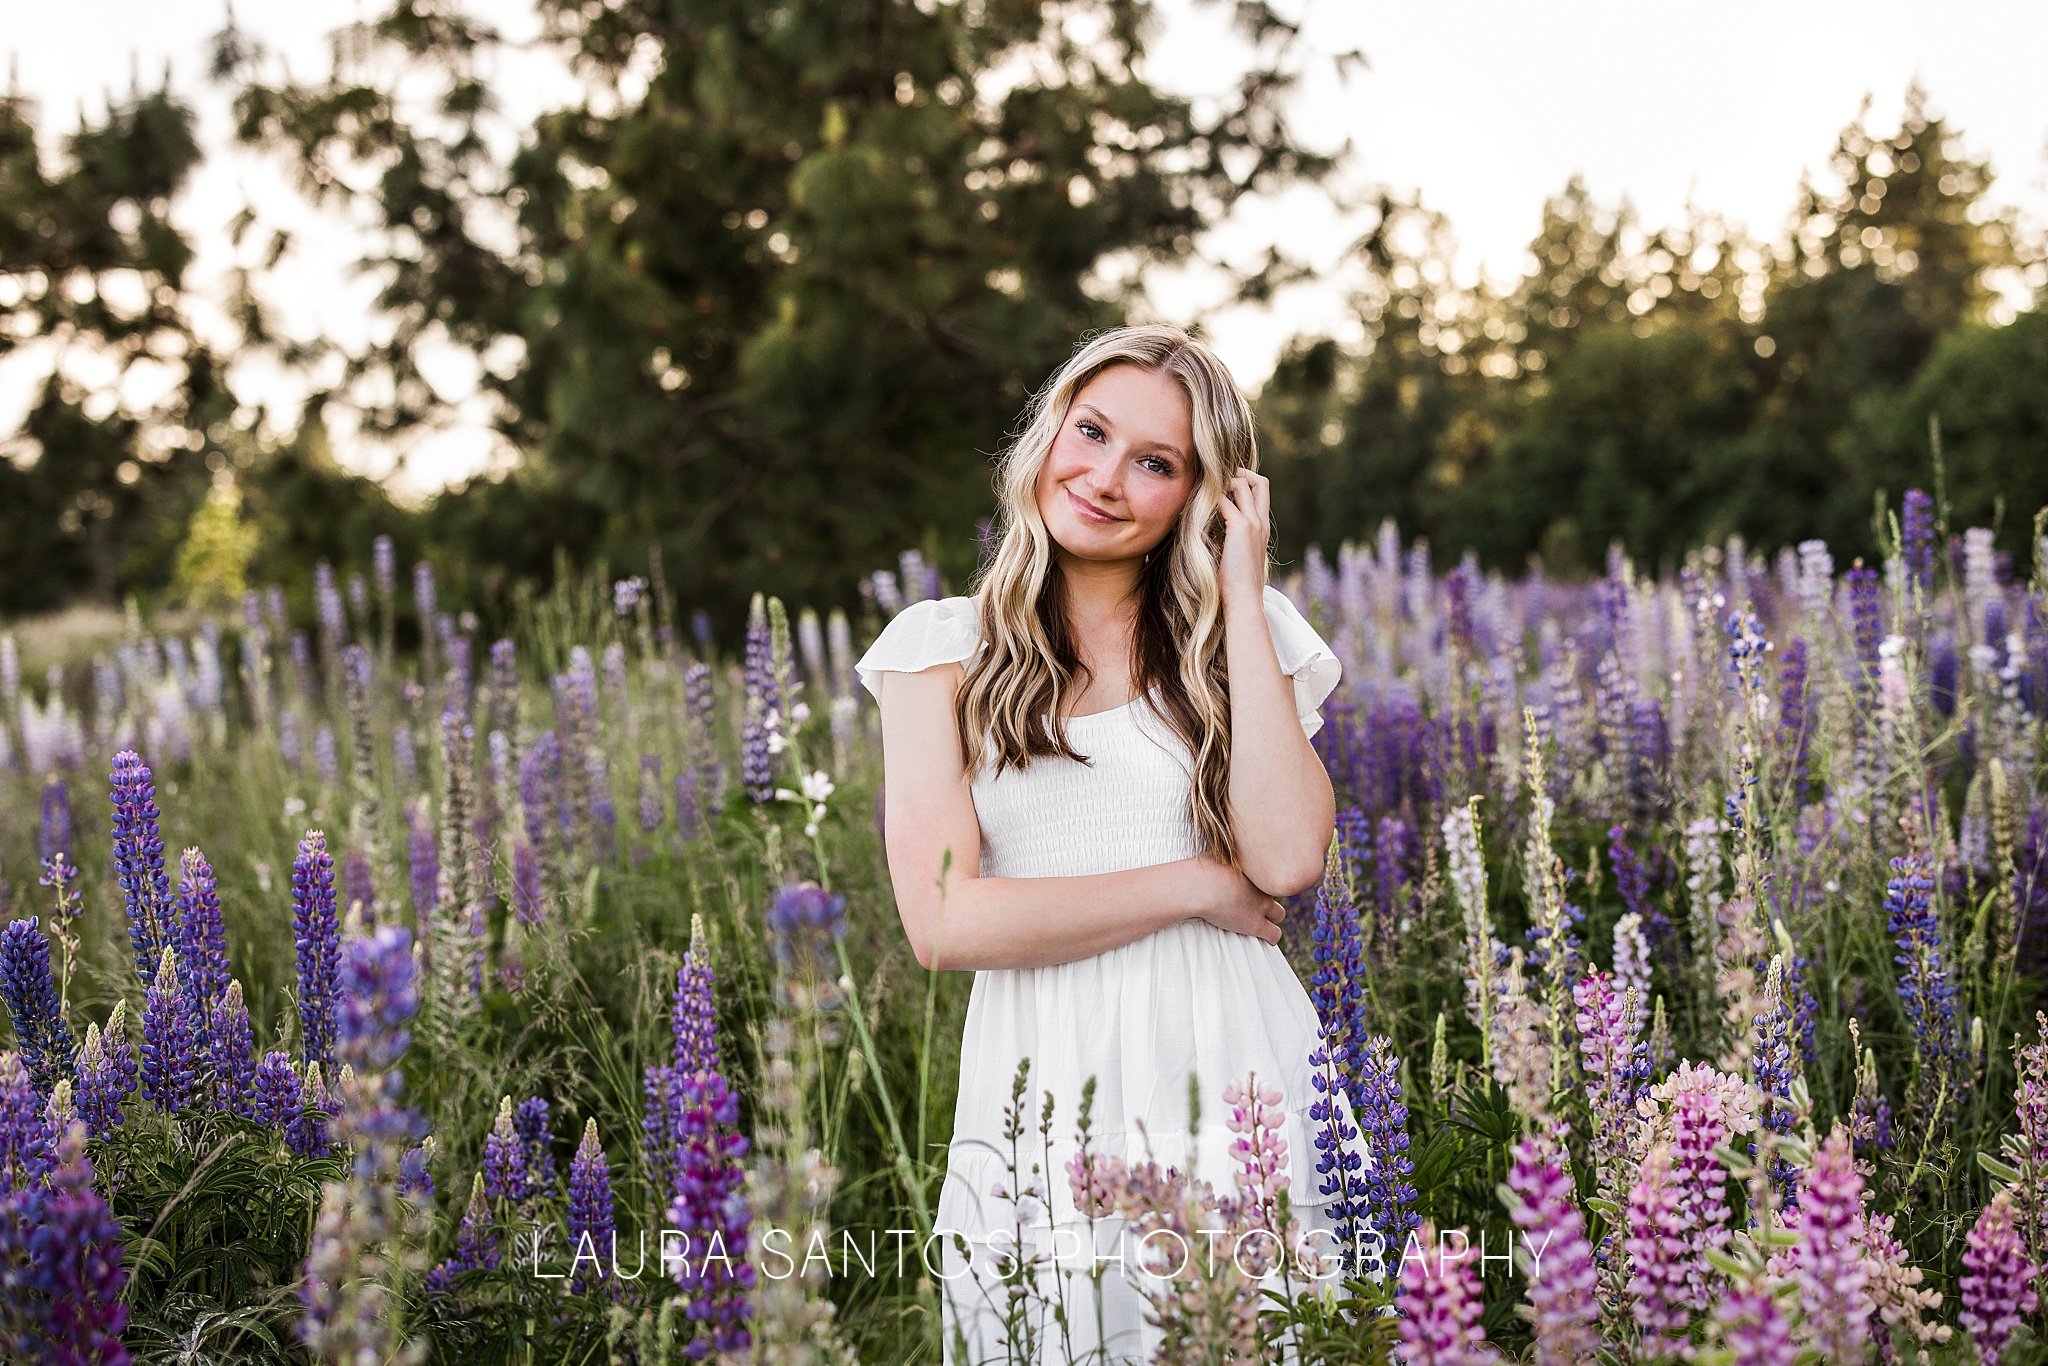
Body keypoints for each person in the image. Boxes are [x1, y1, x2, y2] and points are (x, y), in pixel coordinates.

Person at [855, 324, 1360, 1364]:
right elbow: (944, 922)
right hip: (1043, 1078)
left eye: (1155, 462)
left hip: (1234, 1068)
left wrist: (1241, 596)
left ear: (1199, 494)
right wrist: (1188, 884)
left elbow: (1284, 859)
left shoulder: (1238, 634)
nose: (1103, 477)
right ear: (1048, 431)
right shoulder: (938, 651)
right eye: (1090, 431)